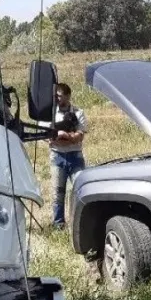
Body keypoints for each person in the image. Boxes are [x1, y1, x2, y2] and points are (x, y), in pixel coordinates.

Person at [49, 83, 87, 229]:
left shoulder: (78, 113)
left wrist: (64, 137)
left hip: (75, 156)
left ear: (68, 95)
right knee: (57, 192)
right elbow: (48, 138)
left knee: (80, 190)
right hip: (57, 156)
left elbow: (80, 136)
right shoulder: (50, 114)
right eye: (55, 96)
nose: (57, 98)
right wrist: (69, 138)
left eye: (59, 95)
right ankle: (58, 224)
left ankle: (80, 223)